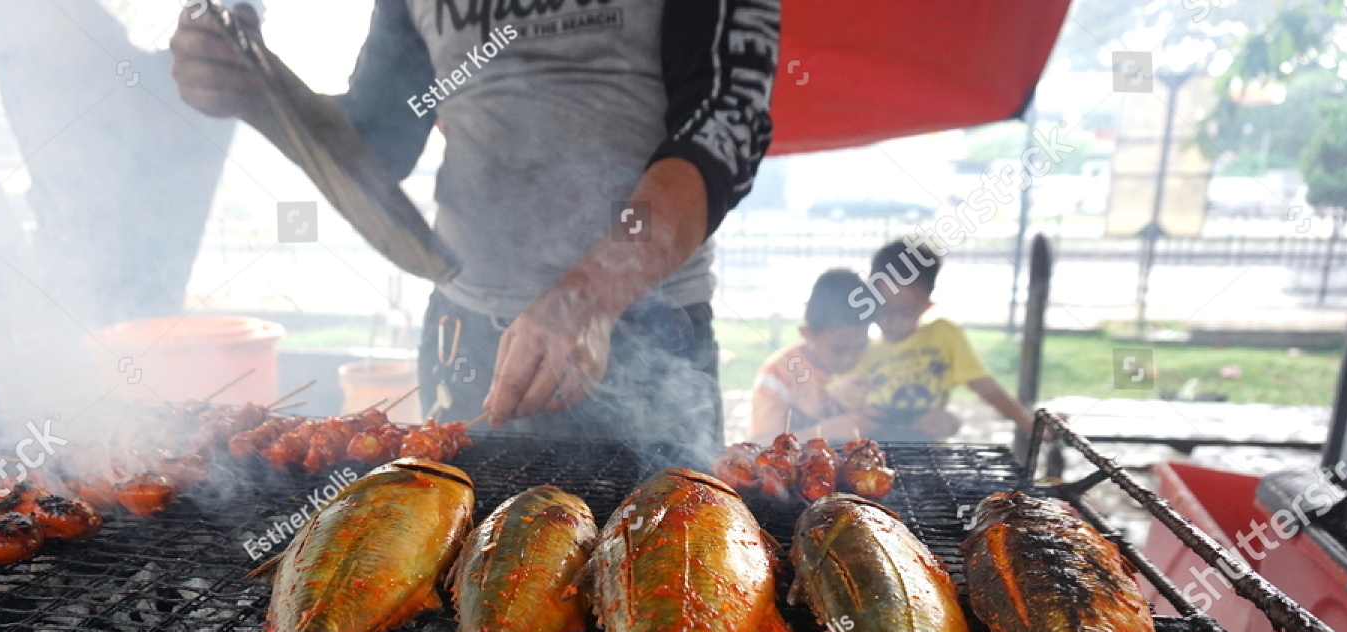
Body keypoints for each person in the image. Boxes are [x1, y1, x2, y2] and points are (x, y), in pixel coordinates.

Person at [169, 2, 781, 458]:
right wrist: (262, 93)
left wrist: (588, 295)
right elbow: (381, 147)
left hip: (649, 334)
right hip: (466, 339)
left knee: (670, 569)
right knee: (452, 578)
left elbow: (724, 128)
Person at [827, 239, 1035, 443]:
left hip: (931, 455)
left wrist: (1027, 424)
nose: (894, 321)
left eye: (907, 312)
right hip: (870, 457)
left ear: (926, 306)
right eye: (885, 308)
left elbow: (984, 386)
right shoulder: (856, 348)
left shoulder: (944, 336)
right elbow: (827, 406)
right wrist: (836, 397)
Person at [747, 269, 870, 440]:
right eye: (838, 350)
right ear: (807, 334)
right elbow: (760, 443)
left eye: (860, 347)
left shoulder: (875, 359)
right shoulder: (778, 374)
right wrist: (827, 430)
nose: (850, 358)